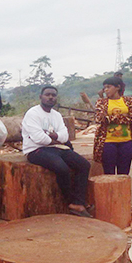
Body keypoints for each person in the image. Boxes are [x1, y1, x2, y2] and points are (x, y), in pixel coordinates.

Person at [22, 86, 91, 217]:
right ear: (40, 97)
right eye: (47, 94)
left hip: (56, 148)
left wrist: (52, 137)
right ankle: (71, 202)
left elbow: (65, 136)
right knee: (62, 168)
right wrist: (56, 137)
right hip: (35, 150)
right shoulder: (32, 113)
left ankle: (79, 202)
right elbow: (38, 138)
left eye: (53, 95)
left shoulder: (57, 115)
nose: (50, 97)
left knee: (84, 165)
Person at [94, 77, 132, 175]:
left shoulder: (129, 101)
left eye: (108, 87)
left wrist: (110, 117)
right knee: (109, 174)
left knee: (124, 174)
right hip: (108, 142)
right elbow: (100, 119)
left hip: (126, 142)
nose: (106, 90)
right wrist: (124, 117)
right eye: (104, 88)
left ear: (118, 87)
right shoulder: (101, 102)